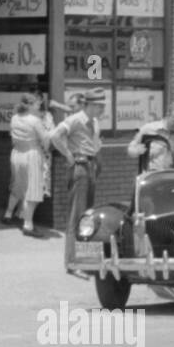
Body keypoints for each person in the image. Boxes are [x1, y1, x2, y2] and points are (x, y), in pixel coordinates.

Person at [49, 87, 107, 252]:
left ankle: (84, 253)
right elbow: (55, 136)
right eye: (99, 106)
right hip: (80, 166)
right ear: (88, 105)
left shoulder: (95, 122)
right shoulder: (75, 119)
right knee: (77, 212)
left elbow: (94, 145)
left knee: (88, 213)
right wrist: (68, 155)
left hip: (91, 166)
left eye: (103, 106)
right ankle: (71, 257)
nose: (102, 109)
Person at [2, 94, 52, 237]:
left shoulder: (15, 118)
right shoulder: (35, 120)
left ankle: (8, 214)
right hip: (32, 154)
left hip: (17, 153)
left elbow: (12, 136)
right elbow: (45, 140)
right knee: (34, 189)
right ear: (29, 105)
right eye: (37, 104)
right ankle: (28, 225)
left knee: (17, 185)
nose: (39, 106)